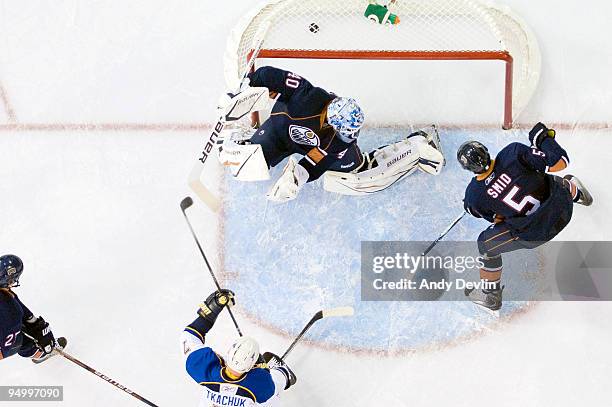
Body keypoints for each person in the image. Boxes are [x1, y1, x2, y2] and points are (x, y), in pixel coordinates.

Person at [216, 66, 445, 201]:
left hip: (305, 145)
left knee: (357, 175)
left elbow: (316, 161)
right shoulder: (305, 94)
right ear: (332, 119)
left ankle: (416, 147)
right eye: (344, 130)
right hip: (278, 134)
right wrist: (244, 88)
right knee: (242, 167)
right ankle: (243, 136)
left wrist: (297, 178)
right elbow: (267, 75)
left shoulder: (342, 139)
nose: (348, 135)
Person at [458, 122, 593, 311]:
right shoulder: (512, 153)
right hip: (563, 208)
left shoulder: (474, 195)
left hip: (536, 234)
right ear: (486, 150)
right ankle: (577, 193)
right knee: (547, 179)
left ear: (469, 169)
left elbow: (496, 218)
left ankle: (491, 296)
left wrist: (474, 203)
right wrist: (543, 139)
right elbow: (560, 162)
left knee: (485, 245)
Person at [181, 289, 296, 406]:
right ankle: (284, 372)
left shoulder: (203, 368)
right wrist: (265, 370)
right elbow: (271, 395)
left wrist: (210, 312)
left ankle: (282, 373)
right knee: (272, 392)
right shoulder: (260, 382)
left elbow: (189, 335)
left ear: (230, 352)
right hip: (260, 385)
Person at [0, 254, 63, 362]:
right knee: (17, 339)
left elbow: (21, 309)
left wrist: (35, 324)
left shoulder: (8, 300)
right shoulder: (11, 313)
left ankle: (36, 350)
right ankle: (37, 352)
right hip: (7, 327)